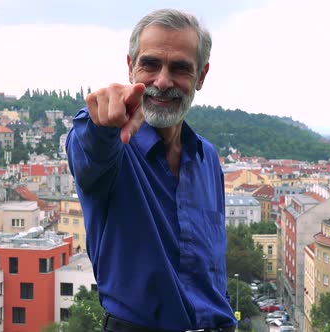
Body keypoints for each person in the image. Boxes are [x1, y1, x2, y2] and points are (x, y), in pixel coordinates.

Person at [66, 8, 236, 332]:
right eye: (150, 64)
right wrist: (101, 122)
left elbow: (213, 269)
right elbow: (88, 150)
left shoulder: (207, 159)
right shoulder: (113, 148)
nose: (162, 81)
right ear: (131, 68)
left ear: (201, 75)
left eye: (181, 68)